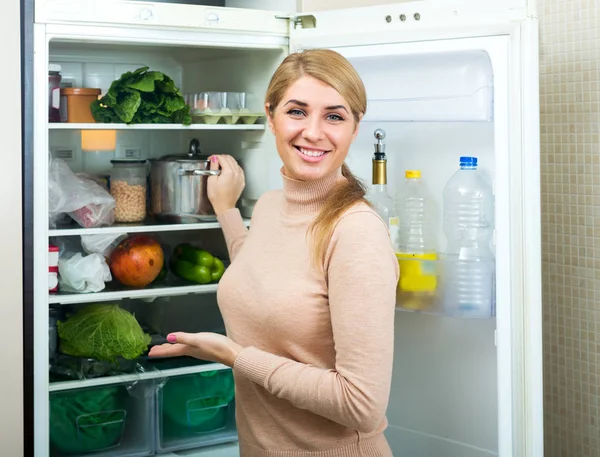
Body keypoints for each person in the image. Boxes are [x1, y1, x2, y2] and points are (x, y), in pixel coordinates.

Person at [149, 49, 399, 457]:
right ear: (271, 116)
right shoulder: (269, 205)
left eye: (334, 116)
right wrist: (227, 211)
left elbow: (362, 405)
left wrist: (234, 356)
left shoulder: (355, 232)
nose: (314, 132)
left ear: (354, 129)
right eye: (297, 111)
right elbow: (265, 271)